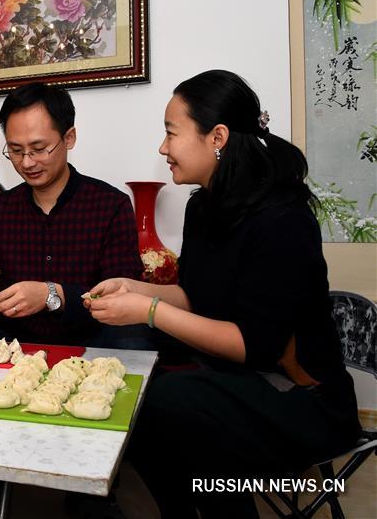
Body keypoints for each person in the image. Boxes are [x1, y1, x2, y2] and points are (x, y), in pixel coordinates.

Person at [85, 69, 361, 518]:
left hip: (302, 400)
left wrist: (149, 310)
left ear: (217, 136)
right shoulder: (204, 206)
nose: (162, 147)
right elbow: (196, 298)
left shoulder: (282, 220)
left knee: (166, 402)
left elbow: (254, 346)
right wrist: (133, 289)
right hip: (236, 383)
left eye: (171, 133)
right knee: (134, 389)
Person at [0, 82, 151, 349]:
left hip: (90, 342)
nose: (26, 162)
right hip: (14, 344)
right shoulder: (1, 209)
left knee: (132, 333)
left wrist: (51, 294)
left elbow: (123, 295)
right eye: (15, 150)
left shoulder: (110, 205)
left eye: (38, 148)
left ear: (68, 138)